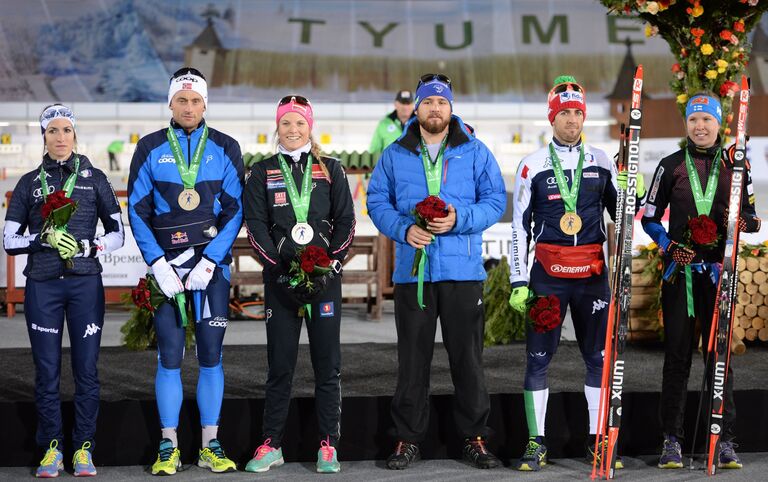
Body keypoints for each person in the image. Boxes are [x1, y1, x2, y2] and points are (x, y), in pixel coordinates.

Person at [367, 74, 506, 470]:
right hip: (415, 274)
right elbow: (378, 200)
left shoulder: (474, 151)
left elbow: (495, 200)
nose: (434, 109)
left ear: (451, 108)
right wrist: (402, 229)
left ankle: (475, 438)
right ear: (417, 108)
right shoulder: (395, 153)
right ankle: (407, 440)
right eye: (428, 103)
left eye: (441, 103)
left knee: (469, 360)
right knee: (412, 362)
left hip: (463, 272)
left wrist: (461, 218)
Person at [507, 75, 645, 471]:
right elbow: (518, 226)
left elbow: (626, 213)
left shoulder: (603, 160)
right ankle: (536, 443)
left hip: (591, 278)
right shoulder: (531, 164)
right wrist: (519, 280)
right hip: (547, 277)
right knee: (537, 359)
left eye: (577, 113)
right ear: (552, 117)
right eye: (564, 113)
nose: (571, 120)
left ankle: (597, 441)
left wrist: (627, 186)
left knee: (597, 359)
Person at [127, 67, 243, 476]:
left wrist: (210, 260)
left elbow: (235, 209)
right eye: (182, 100)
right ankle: (169, 445)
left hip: (210, 271)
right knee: (170, 358)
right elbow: (137, 209)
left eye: (196, 101)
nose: (189, 107)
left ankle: (211, 443)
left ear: (205, 104)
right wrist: (158, 264)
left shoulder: (226, 147)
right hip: (168, 271)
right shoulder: (150, 147)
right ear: (170, 103)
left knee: (211, 357)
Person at [3, 103, 124, 477]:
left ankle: (83, 449)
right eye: (53, 131)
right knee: (47, 370)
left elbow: (118, 234)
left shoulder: (95, 177)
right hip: (43, 286)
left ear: (75, 134)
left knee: (86, 369)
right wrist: (42, 238)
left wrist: (88, 247)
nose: (60, 137)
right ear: (44, 136)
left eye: (66, 130)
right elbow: (9, 239)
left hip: (85, 283)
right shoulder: (28, 183)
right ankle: (52, 448)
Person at [641, 92, 760, 470]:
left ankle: (723, 438)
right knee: (676, 358)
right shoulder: (670, 165)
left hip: (718, 276)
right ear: (686, 125)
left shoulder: (736, 168)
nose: (700, 126)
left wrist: (746, 223)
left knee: (719, 359)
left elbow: (753, 218)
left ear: (719, 124)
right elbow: (648, 217)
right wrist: (669, 245)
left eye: (707, 120)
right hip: (681, 278)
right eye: (694, 120)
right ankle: (671, 439)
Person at [242, 95, 355, 474]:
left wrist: (329, 265)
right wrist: (280, 269)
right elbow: (255, 225)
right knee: (280, 366)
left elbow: (346, 222)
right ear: (277, 127)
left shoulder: (331, 170)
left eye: (300, 123)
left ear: (311, 127)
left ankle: (328, 444)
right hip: (280, 283)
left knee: (328, 366)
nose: (293, 130)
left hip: (324, 281)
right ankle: (271, 444)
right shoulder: (261, 172)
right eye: (286, 123)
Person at [369, 89, 414, 154]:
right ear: (395, 104)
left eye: (408, 103)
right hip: (389, 163)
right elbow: (374, 151)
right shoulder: (384, 124)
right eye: (403, 103)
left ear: (413, 104)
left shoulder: (421, 123)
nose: (405, 107)